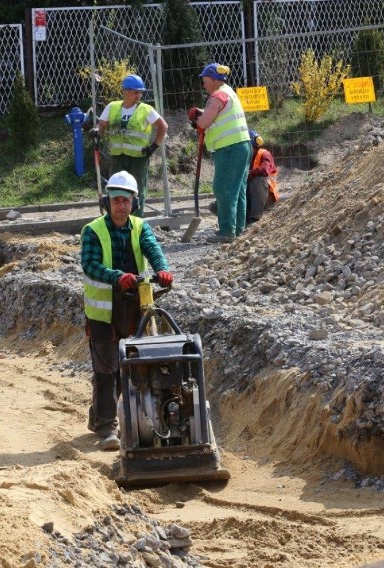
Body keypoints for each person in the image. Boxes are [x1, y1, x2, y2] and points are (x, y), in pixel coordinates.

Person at [80, 170, 173, 451]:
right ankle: (108, 427)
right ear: (107, 201)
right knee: (106, 369)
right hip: (103, 312)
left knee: (133, 364)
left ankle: (106, 416)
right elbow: (90, 265)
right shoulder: (93, 230)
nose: (121, 205)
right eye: (116, 200)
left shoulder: (140, 226)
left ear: (134, 201)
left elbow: (152, 248)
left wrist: (163, 268)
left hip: (135, 306)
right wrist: (116, 276)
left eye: (126, 200)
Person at [188, 63, 251, 244]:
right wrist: (202, 114)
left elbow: (204, 123)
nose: (204, 84)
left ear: (213, 79)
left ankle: (226, 231)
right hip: (242, 145)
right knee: (237, 189)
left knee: (222, 187)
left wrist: (196, 121)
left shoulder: (216, 96)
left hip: (229, 148)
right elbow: (217, 116)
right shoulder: (229, 92)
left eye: (205, 80)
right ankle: (238, 229)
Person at [91, 74, 168, 218]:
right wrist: (97, 130)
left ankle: (136, 221)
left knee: (137, 190)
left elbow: (163, 126)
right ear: (126, 91)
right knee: (115, 188)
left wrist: (154, 146)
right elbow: (102, 124)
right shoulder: (112, 107)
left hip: (138, 158)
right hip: (117, 157)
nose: (138, 95)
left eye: (140, 92)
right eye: (135, 92)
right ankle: (115, 219)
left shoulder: (146, 109)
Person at [209, 129, 279, 224]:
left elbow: (265, 170)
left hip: (265, 198)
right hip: (248, 197)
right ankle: (238, 220)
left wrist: (245, 175)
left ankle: (255, 218)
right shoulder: (242, 158)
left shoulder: (264, 154)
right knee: (215, 205)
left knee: (258, 180)